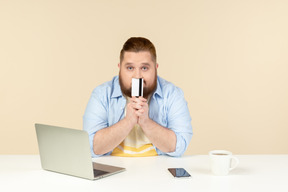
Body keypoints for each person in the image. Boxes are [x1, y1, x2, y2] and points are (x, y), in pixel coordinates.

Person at [83, 37, 192, 157]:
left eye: (144, 68)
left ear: (155, 68)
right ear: (119, 68)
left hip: (158, 170)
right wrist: (128, 121)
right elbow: (92, 147)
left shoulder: (172, 94)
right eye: (130, 68)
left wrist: (146, 122)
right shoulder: (101, 94)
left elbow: (179, 146)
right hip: (114, 171)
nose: (137, 76)